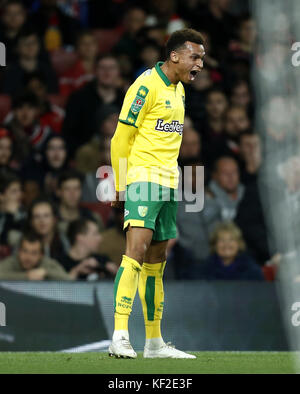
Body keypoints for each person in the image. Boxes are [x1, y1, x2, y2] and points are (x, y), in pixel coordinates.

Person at [109, 28, 205, 359]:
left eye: (202, 59)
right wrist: (119, 183)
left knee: (157, 262)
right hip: (143, 179)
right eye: (195, 57)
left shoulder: (179, 90)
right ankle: (120, 335)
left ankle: (153, 343)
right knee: (135, 251)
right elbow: (120, 138)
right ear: (174, 56)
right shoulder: (145, 85)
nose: (200, 64)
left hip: (169, 182)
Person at [0, 231, 71, 281]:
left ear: (41, 255)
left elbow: (67, 279)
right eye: (25, 251)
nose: (28, 257)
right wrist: (26, 276)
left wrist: (45, 272)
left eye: (34, 253)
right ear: (19, 251)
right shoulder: (13, 261)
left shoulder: (47, 263)